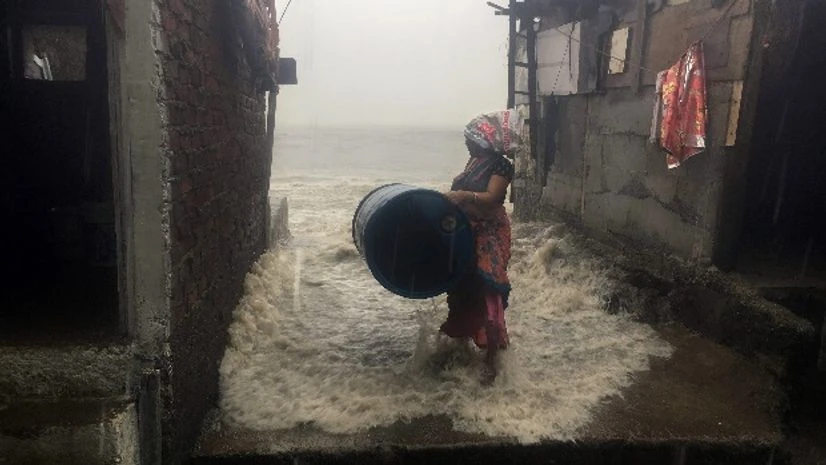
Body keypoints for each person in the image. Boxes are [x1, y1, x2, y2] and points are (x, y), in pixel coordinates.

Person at [441, 111, 518, 384]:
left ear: (484, 140)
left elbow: (492, 198)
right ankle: (461, 346)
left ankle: (492, 360)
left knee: (488, 289)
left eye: (470, 139)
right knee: (463, 287)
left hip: (489, 234)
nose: (466, 143)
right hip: (467, 231)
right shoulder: (474, 161)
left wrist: (463, 195)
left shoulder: (501, 166)